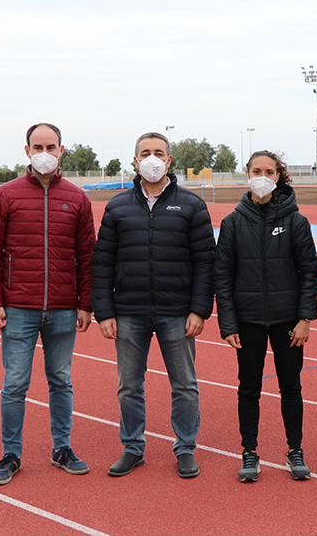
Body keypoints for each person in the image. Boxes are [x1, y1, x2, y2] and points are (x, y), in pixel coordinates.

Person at [91, 131, 215, 479]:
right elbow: (102, 263)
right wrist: (105, 312)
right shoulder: (117, 206)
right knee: (129, 384)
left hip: (178, 312)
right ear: (135, 160)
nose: (152, 158)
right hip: (129, 311)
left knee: (185, 384)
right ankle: (132, 447)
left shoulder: (191, 205)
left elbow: (206, 262)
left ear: (169, 160)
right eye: (145, 152)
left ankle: (185, 448)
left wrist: (199, 309)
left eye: (158, 152)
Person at [0, 122, 96, 486]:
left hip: (63, 308)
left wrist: (85, 304)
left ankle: (62, 448)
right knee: (15, 383)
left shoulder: (77, 198)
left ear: (62, 150)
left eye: (51, 145)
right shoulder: (6, 195)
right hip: (17, 308)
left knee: (61, 380)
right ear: (27, 150)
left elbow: (88, 255)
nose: (45, 152)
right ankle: (11, 453)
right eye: (38, 146)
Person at [214, 151, 317, 483]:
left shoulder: (296, 221)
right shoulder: (232, 222)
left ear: (279, 176)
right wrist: (228, 324)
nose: (263, 176)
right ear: (247, 174)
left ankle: (295, 450)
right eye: (257, 170)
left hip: (288, 321)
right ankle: (249, 452)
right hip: (247, 322)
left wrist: (305, 318)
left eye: (270, 171)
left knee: (291, 387)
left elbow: (310, 272)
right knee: (248, 389)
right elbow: (223, 277)